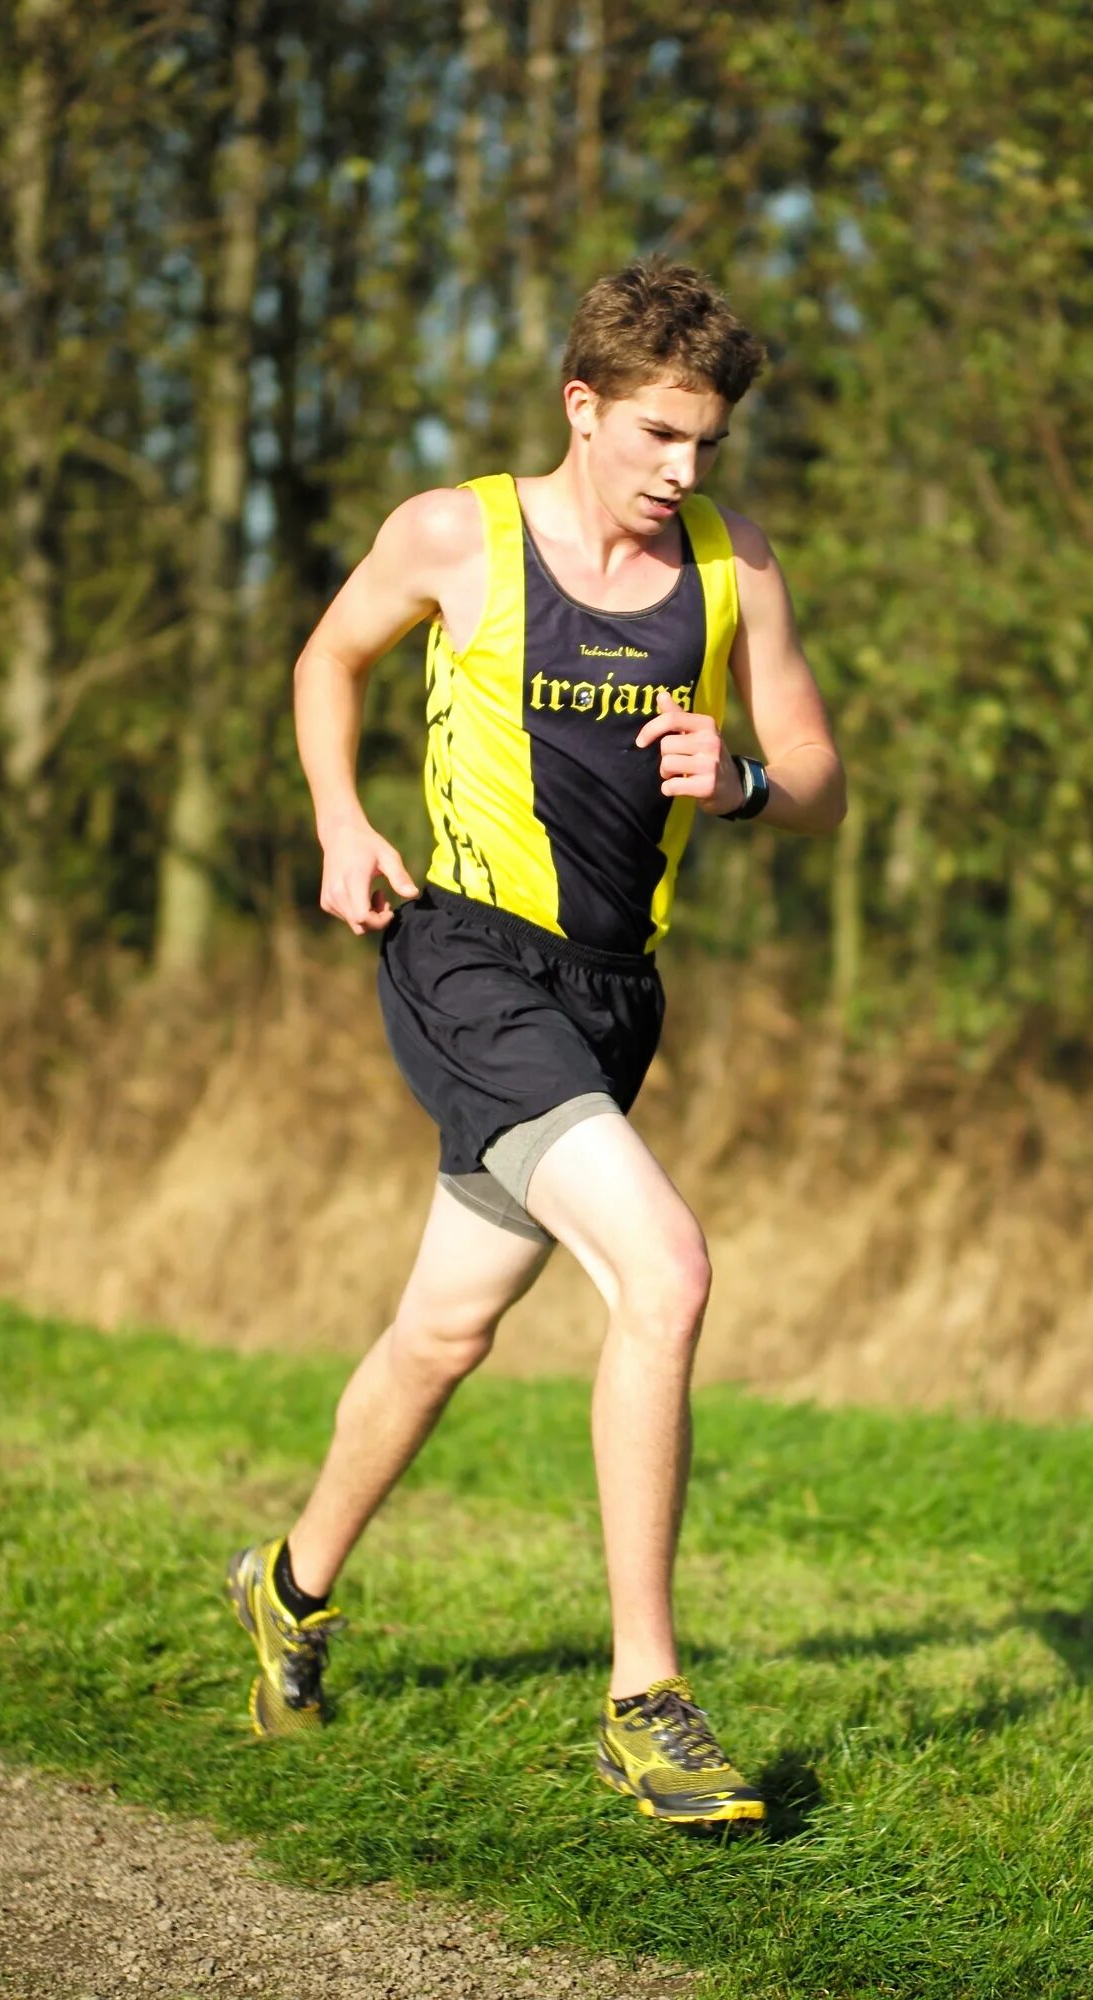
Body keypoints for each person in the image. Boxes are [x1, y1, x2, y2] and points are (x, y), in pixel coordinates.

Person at [224, 260, 843, 1826]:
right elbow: (325, 659)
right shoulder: (459, 536)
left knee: (446, 1331)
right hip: (465, 956)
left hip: (616, 995)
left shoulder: (734, 567)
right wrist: (340, 818)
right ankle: (648, 1700)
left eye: (704, 444)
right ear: (584, 406)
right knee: (670, 1269)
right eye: (655, 437)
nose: (682, 473)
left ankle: (289, 1590)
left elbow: (823, 769)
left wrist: (747, 781)